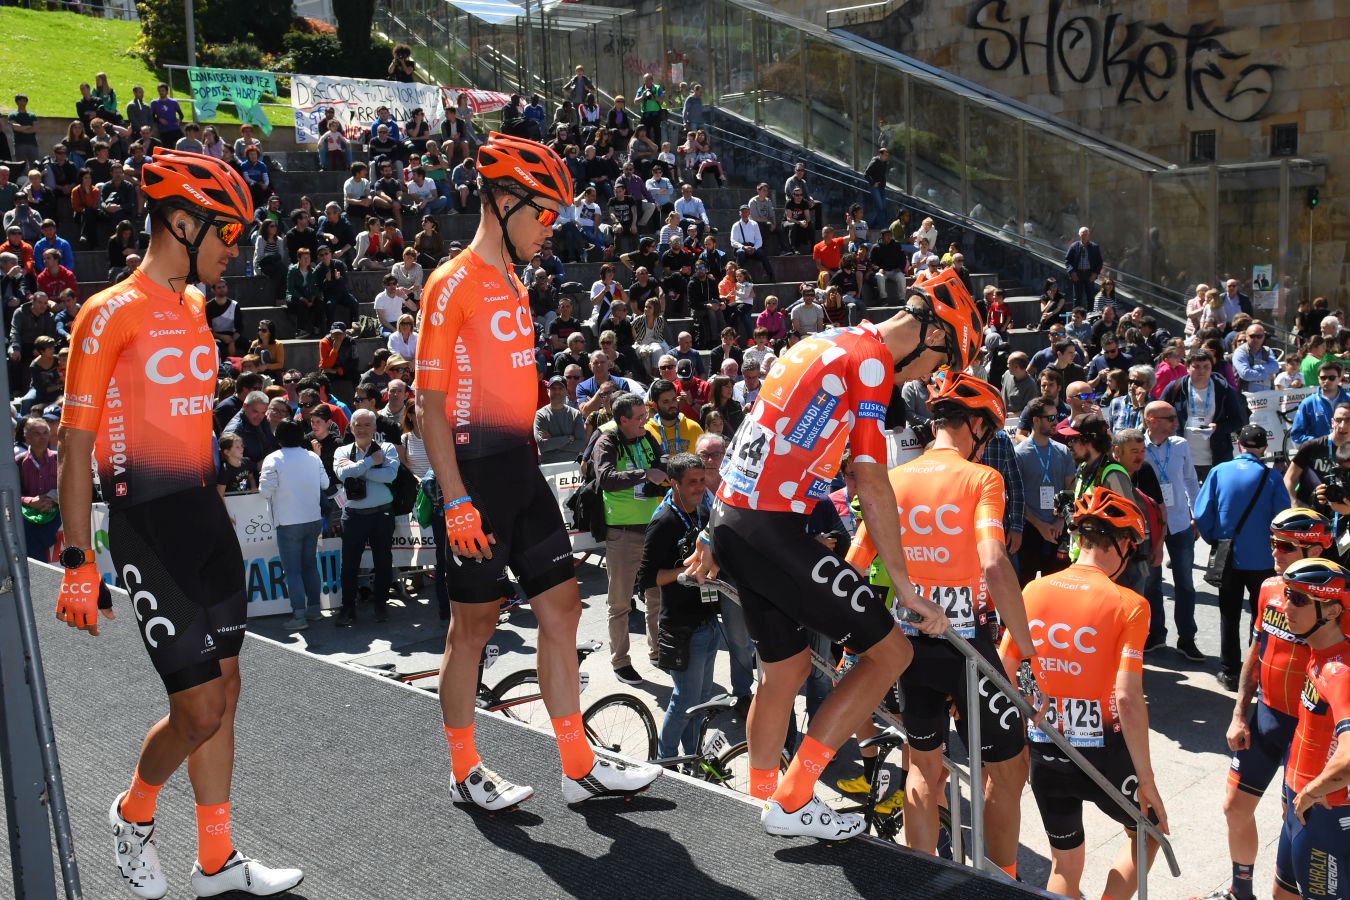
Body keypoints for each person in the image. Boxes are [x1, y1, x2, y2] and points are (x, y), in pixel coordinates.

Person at [56, 147, 303, 897]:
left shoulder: (195, 307)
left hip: (208, 517)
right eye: (227, 231)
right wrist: (76, 558)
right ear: (182, 220)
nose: (236, 247)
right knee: (196, 709)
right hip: (147, 528)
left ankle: (217, 861)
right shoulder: (108, 315)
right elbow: (72, 447)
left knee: (224, 697)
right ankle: (132, 816)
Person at [684, 267, 981, 839]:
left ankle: (765, 802)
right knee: (892, 654)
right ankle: (795, 798)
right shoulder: (870, 363)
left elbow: (756, 432)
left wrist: (711, 530)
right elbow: (870, 480)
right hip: (773, 527)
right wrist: (906, 585)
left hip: (737, 520)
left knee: (786, 669)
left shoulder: (822, 339)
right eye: (938, 364)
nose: (927, 378)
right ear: (931, 335)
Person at [415, 132, 660, 809]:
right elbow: (426, 405)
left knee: (561, 608)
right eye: (543, 213)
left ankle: (578, 766)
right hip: (474, 476)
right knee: (471, 630)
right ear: (503, 201)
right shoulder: (452, 282)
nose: (550, 228)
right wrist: (456, 500)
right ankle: (465, 770)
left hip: (520, 467)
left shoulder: (512, 280)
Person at [846, 373, 1035, 873]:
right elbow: (994, 564)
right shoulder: (981, 479)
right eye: (988, 434)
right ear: (974, 425)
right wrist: (1028, 648)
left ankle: (921, 873)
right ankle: (1002, 879)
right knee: (1006, 767)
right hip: (968, 646)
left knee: (923, 766)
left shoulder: (895, 478)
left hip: (908, 646)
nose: (987, 444)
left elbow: (855, 562)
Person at [1009, 487, 1168, 900]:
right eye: (1131, 547)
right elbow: (1128, 698)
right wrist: (1147, 779)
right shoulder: (1130, 604)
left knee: (1064, 864)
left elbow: (1003, 668)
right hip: (1105, 753)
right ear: (1119, 544)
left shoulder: (1033, 591)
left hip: (1046, 747)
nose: (1130, 557)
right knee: (1150, 834)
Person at [1212, 509, 1337, 900]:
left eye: (1285, 546)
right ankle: (1240, 891)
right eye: (1272, 543)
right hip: (1266, 716)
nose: (1275, 552)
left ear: (1317, 547)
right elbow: (1256, 650)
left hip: (1310, 729)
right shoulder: (1269, 588)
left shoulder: (1338, 601)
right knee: (1234, 806)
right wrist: (1238, 713)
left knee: (1294, 822)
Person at [1269, 558, 1350, 900]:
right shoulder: (1316, 653)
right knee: (1282, 893)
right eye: (1288, 594)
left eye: (1300, 600)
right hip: (1300, 801)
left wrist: (1311, 791)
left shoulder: (1341, 671)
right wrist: (1292, 790)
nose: (1287, 606)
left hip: (1323, 813)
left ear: (1331, 612)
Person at [1196, 425, 1293, 690]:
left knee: (1229, 614)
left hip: (1228, 556)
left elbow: (1202, 514)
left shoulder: (1218, 471)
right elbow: (1282, 519)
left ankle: (1229, 672)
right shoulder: (1272, 477)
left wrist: (1216, 539)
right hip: (1263, 559)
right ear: (1263, 449)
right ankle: (1258, 671)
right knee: (1261, 617)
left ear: (1239, 444)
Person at [639, 451, 723, 758]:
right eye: (692, 482)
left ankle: (693, 756)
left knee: (701, 699)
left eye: (702, 480)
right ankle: (666, 760)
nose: (700, 487)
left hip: (709, 622)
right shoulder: (663, 521)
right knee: (685, 700)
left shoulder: (704, 510)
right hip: (682, 627)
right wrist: (686, 572)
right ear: (673, 483)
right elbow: (647, 578)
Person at [592, 392, 667, 683]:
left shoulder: (647, 437)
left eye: (644, 416)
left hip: (653, 530)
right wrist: (645, 474)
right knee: (620, 602)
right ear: (622, 420)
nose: (644, 421)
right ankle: (620, 660)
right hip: (623, 533)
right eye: (638, 418)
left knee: (656, 596)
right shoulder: (607, 442)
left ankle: (658, 651)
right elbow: (606, 478)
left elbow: (662, 462)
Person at [1140, 400, 1203, 657]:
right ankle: (1156, 635)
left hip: (1179, 523)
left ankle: (1187, 639)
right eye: (1170, 418)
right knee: (1152, 583)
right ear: (1152, 420)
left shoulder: (1180, 445)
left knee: (1185, 584)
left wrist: (1197, 515)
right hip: (1151, 526)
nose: (1176, 422)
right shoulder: (1137, 446)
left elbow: (1190, 479)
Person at [333, 409, 398, 625]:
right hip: (353, 516)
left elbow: (390, 474)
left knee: (383, 561)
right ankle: (348, 607)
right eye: (357, 425)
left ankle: (381, 604)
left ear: (374, 428)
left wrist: (357, 469)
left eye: (366, 425)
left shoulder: (387, 448)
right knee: (349, 564)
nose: (361, 429)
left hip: (382, 514)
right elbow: (341, 474)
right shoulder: (341, 451)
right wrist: (370, 463)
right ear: (350, 427)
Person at [1164, 347, 1249, 484]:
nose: (1202, 371)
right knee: (1187, 501)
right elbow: (1160, 412)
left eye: (1206, 367)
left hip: (1217, 458)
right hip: (1183, 457)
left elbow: (1238, 421)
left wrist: (1218, 427)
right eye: (1196, 367)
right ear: (1187, 367)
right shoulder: (1175, 388)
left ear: (1212, 367)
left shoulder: (1223, 388)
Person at [1015, 395, 1076, 584]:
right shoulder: (1019, 453)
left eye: (1056, 417)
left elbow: (1070, 488)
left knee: (1057, 587)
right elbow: (1016, 496)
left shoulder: (1063, 451)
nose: (1055, 422)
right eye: (1050, 418)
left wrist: (1059, 520)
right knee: (1026, 587)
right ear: (1035, 420)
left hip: (1059, 529)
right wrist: (1040, 525)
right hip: (1030, 530)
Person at [17, 416, 60, 560]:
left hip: (57, 517)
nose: (42, 438)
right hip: (29, 520)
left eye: (45, 433)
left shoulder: (59, 459)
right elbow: (13, 494)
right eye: (36, 433)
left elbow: (70, 488)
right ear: (26, 438)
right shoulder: (19, 462)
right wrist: (31, 501)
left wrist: (52, 499)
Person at [1290, 360, 1350, 446]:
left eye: (1332, 378)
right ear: (1318, 379)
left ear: (1340, 378)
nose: (1327, 381)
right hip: (1320, 455)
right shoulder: (1308, 403)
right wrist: (1319, 442)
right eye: (1323, 378)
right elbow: (1296, 434)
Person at [534, 375, 586, 463]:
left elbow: (580, 445)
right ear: (548, 391)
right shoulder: (540, 415)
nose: (557, 391)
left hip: (572, 466)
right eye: (553, 388)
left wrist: (552, 441)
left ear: (566, 391)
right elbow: (543, 445)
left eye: (560, 388)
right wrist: (568, 438)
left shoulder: (575, 414)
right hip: (548, 467)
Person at [1064, 226, 1103, 309]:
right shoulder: (1074, 246)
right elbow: (1067, 260)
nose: (1084, 236)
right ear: (1079, 235)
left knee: (1090, 297)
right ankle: (1076, 316)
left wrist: (1095, 274)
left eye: (1086, 234)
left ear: (1089, 235)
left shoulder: (1094, 247)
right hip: (1077, 274)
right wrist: (1071, 272)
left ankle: (1090, 317)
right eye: (1082, 234)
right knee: (1077, 298)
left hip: (1089, 274)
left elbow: (1099, 262)